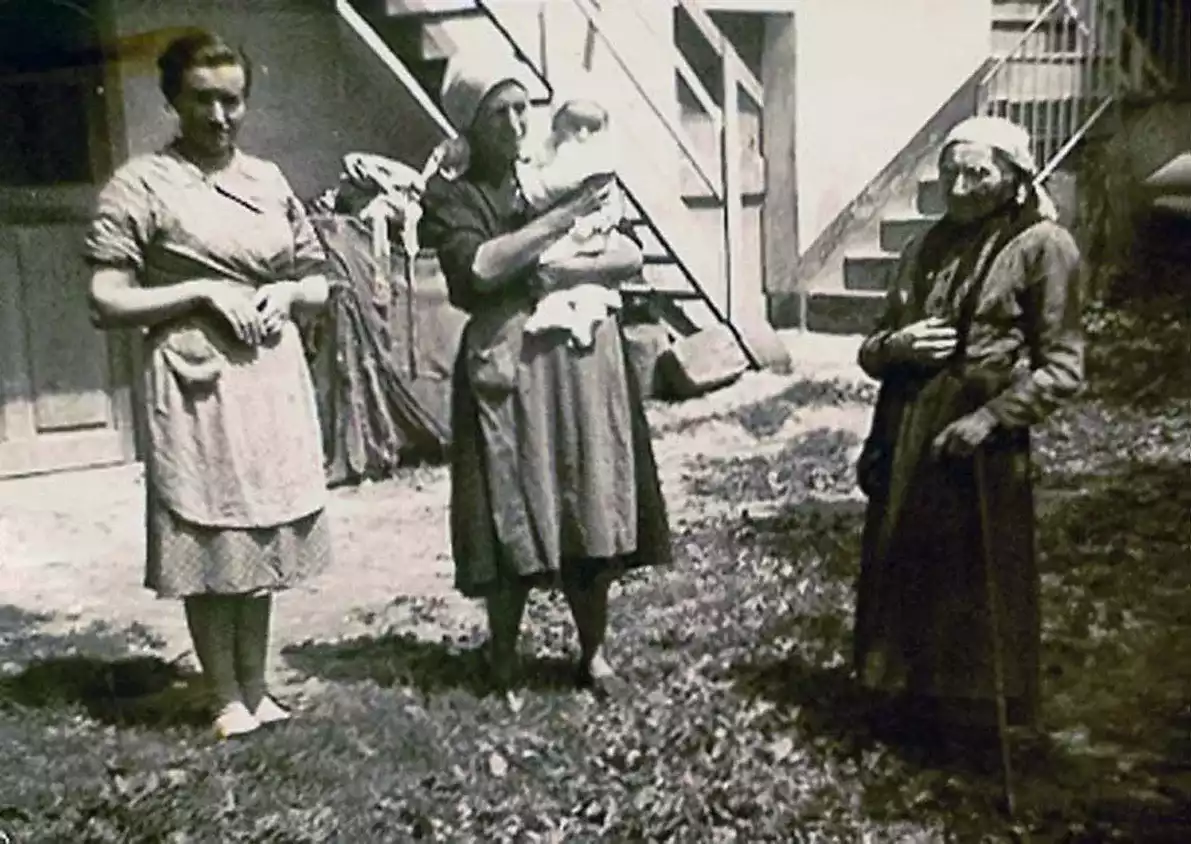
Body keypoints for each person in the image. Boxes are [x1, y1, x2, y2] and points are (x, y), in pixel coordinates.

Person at [84, 31, 332, 739]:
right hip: (193, 382)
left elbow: (316, 278)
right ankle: (224, 695)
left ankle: (258, 686)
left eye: (232, 101)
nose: (219, 117)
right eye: (202, 100)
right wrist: (196, 293)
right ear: (171, 98)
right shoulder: (141, 184)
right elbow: (106, 300)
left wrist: (287, 296)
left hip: (268, 376)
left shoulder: (268, 180)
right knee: (208, 526)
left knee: (258, 531)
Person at [418, 50, 672, 698]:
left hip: (581, 356)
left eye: (521, 107)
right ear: (469, 124)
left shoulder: (559, 164)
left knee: (591, 494)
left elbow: (627, 253)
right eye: (497, 112)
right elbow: (477, 268)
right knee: (508, 503)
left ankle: (594, 653)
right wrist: (558, 222)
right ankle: (502, 657)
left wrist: (564, 270)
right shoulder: (453, 191)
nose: (514, 122)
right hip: (506, 361)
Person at [852, 115, 1085, 747]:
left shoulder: (1044, 247)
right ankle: (905, 697)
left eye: (976, 174)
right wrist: (895, 346)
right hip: (908, 424)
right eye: (949, 173)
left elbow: (1063, 368)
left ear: (1014, 180)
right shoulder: (923, 248)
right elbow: (871, 352)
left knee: (975, 572)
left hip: (981, 435)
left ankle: (977, 717)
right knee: (905, 556)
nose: (958, 188)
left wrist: (989, 418)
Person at [517, 94, 630, 350]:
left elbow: (551, 188)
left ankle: (585, 321)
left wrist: (605, 219)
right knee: (555, 280)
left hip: (588, 237)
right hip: (564, 237)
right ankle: (552, 314)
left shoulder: (593, 164)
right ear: (556, 127)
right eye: (574, 126)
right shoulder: (551, 155)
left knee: (590, 288)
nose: (582, 135)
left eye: (592, 128)